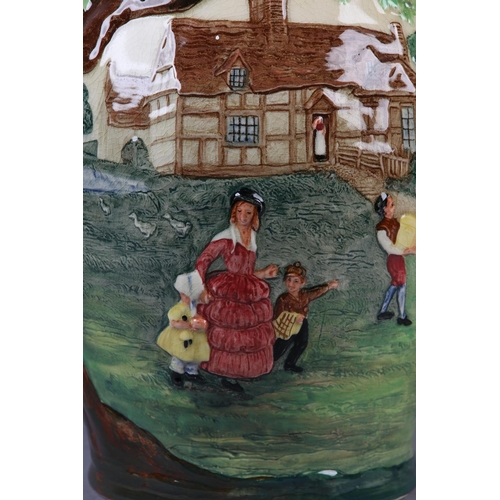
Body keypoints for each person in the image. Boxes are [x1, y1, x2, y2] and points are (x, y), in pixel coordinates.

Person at [193, 188, 279, 392]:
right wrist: (201, 287)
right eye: (240, 211)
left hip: (247, 288)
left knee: (246, 333)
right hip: (229, 289)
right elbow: (203, 261)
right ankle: (223, 374)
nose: (243, 216)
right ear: (234, 212)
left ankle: (237, 373)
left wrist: (263, 273)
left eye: (248, 212)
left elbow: (246, 272)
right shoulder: (226, 237)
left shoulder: (252, 236)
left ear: (255, 215)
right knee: (227, 331)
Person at [273, 262, 339, 373]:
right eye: (289, 280)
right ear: (285, 281)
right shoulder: (283, 299)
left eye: (296, 281)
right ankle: (268, 361)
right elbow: (277, 316)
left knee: (302, 343)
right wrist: (293, 318)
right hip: (287, 326)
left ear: (302, 283)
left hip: (301, 323)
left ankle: (290, 364)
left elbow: (316, 292)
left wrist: (328, 286)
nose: (291, 284)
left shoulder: (304, 295)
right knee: (282, 346)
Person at [156, 271, 212, 388]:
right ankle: (177, 372)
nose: (188, 299)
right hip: (181, 338)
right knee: (180, 356)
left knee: (195, 356)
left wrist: (203, 324)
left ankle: (191, 372)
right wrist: (187, 324)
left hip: (196, 338)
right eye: (185, 296)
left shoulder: (198, 307)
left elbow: (204, 320)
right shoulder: (179, 308)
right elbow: (173, 322)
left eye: (191, 296)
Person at [374, 192, 416, 326]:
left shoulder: (395, 222)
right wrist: (406, 251)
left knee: (395, 285)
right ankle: (402, 316)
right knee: (401, 285)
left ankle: (383, 311)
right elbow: (389, 248)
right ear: (384, 209)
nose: (394, 207)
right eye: (391, 205)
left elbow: (404, 236)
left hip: (398, 259)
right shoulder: (381, 229)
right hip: (394, 259)